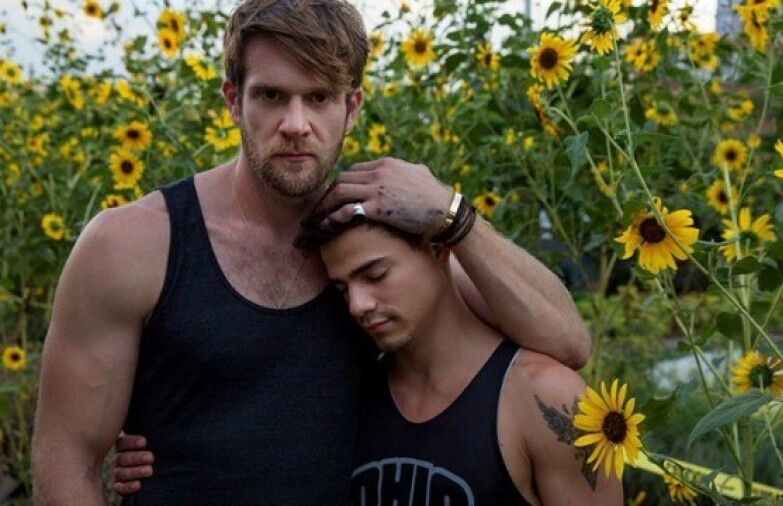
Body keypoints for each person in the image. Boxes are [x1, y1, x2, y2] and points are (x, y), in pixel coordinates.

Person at [31, 0, 590, 504]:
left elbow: (566, 340)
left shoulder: (377, 242)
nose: (296, 125)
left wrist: (453, 211)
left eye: (318, 97)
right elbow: (67, 463)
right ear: (233, 100)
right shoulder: (132, 245)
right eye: (271, 95)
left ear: (352, 106)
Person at [116, 216, 623, 504]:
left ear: (438, 250)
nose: (358, 304)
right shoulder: (347, 391)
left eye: (375, 275)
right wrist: (164, 451)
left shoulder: (546, 399)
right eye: (342, 288)